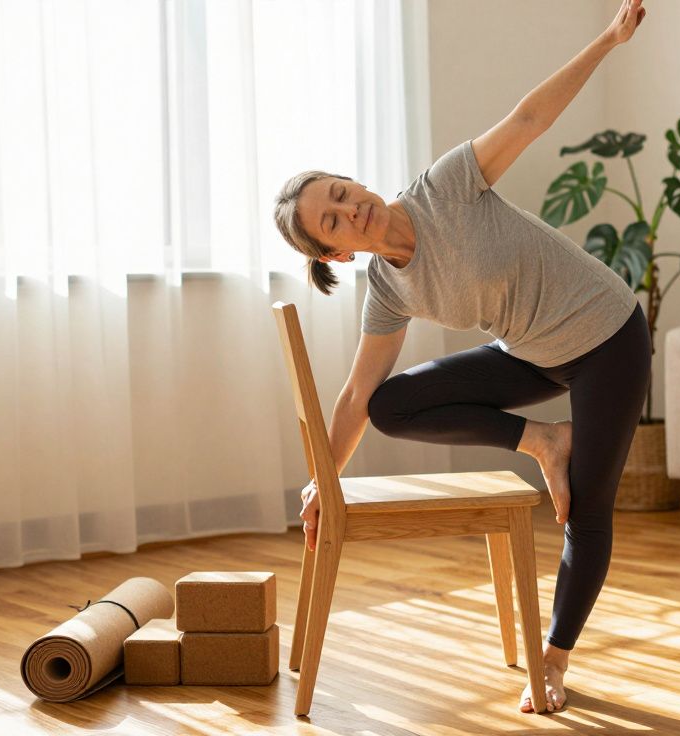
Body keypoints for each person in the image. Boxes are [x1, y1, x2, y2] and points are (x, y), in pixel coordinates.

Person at [273, 0, 647, 714]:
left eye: (344, 193)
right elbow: (356, 398)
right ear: (337, 253)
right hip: (535, 354)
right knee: (391, 403)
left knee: (587, 509)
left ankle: (554, 660)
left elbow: (528, 119)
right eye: (333, 219)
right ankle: (545, 440)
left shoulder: (446, 187)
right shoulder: (386, 288)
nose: (351, 208)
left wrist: (606, 41)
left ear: (358, 184)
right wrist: (323, 479)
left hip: (607, 338)